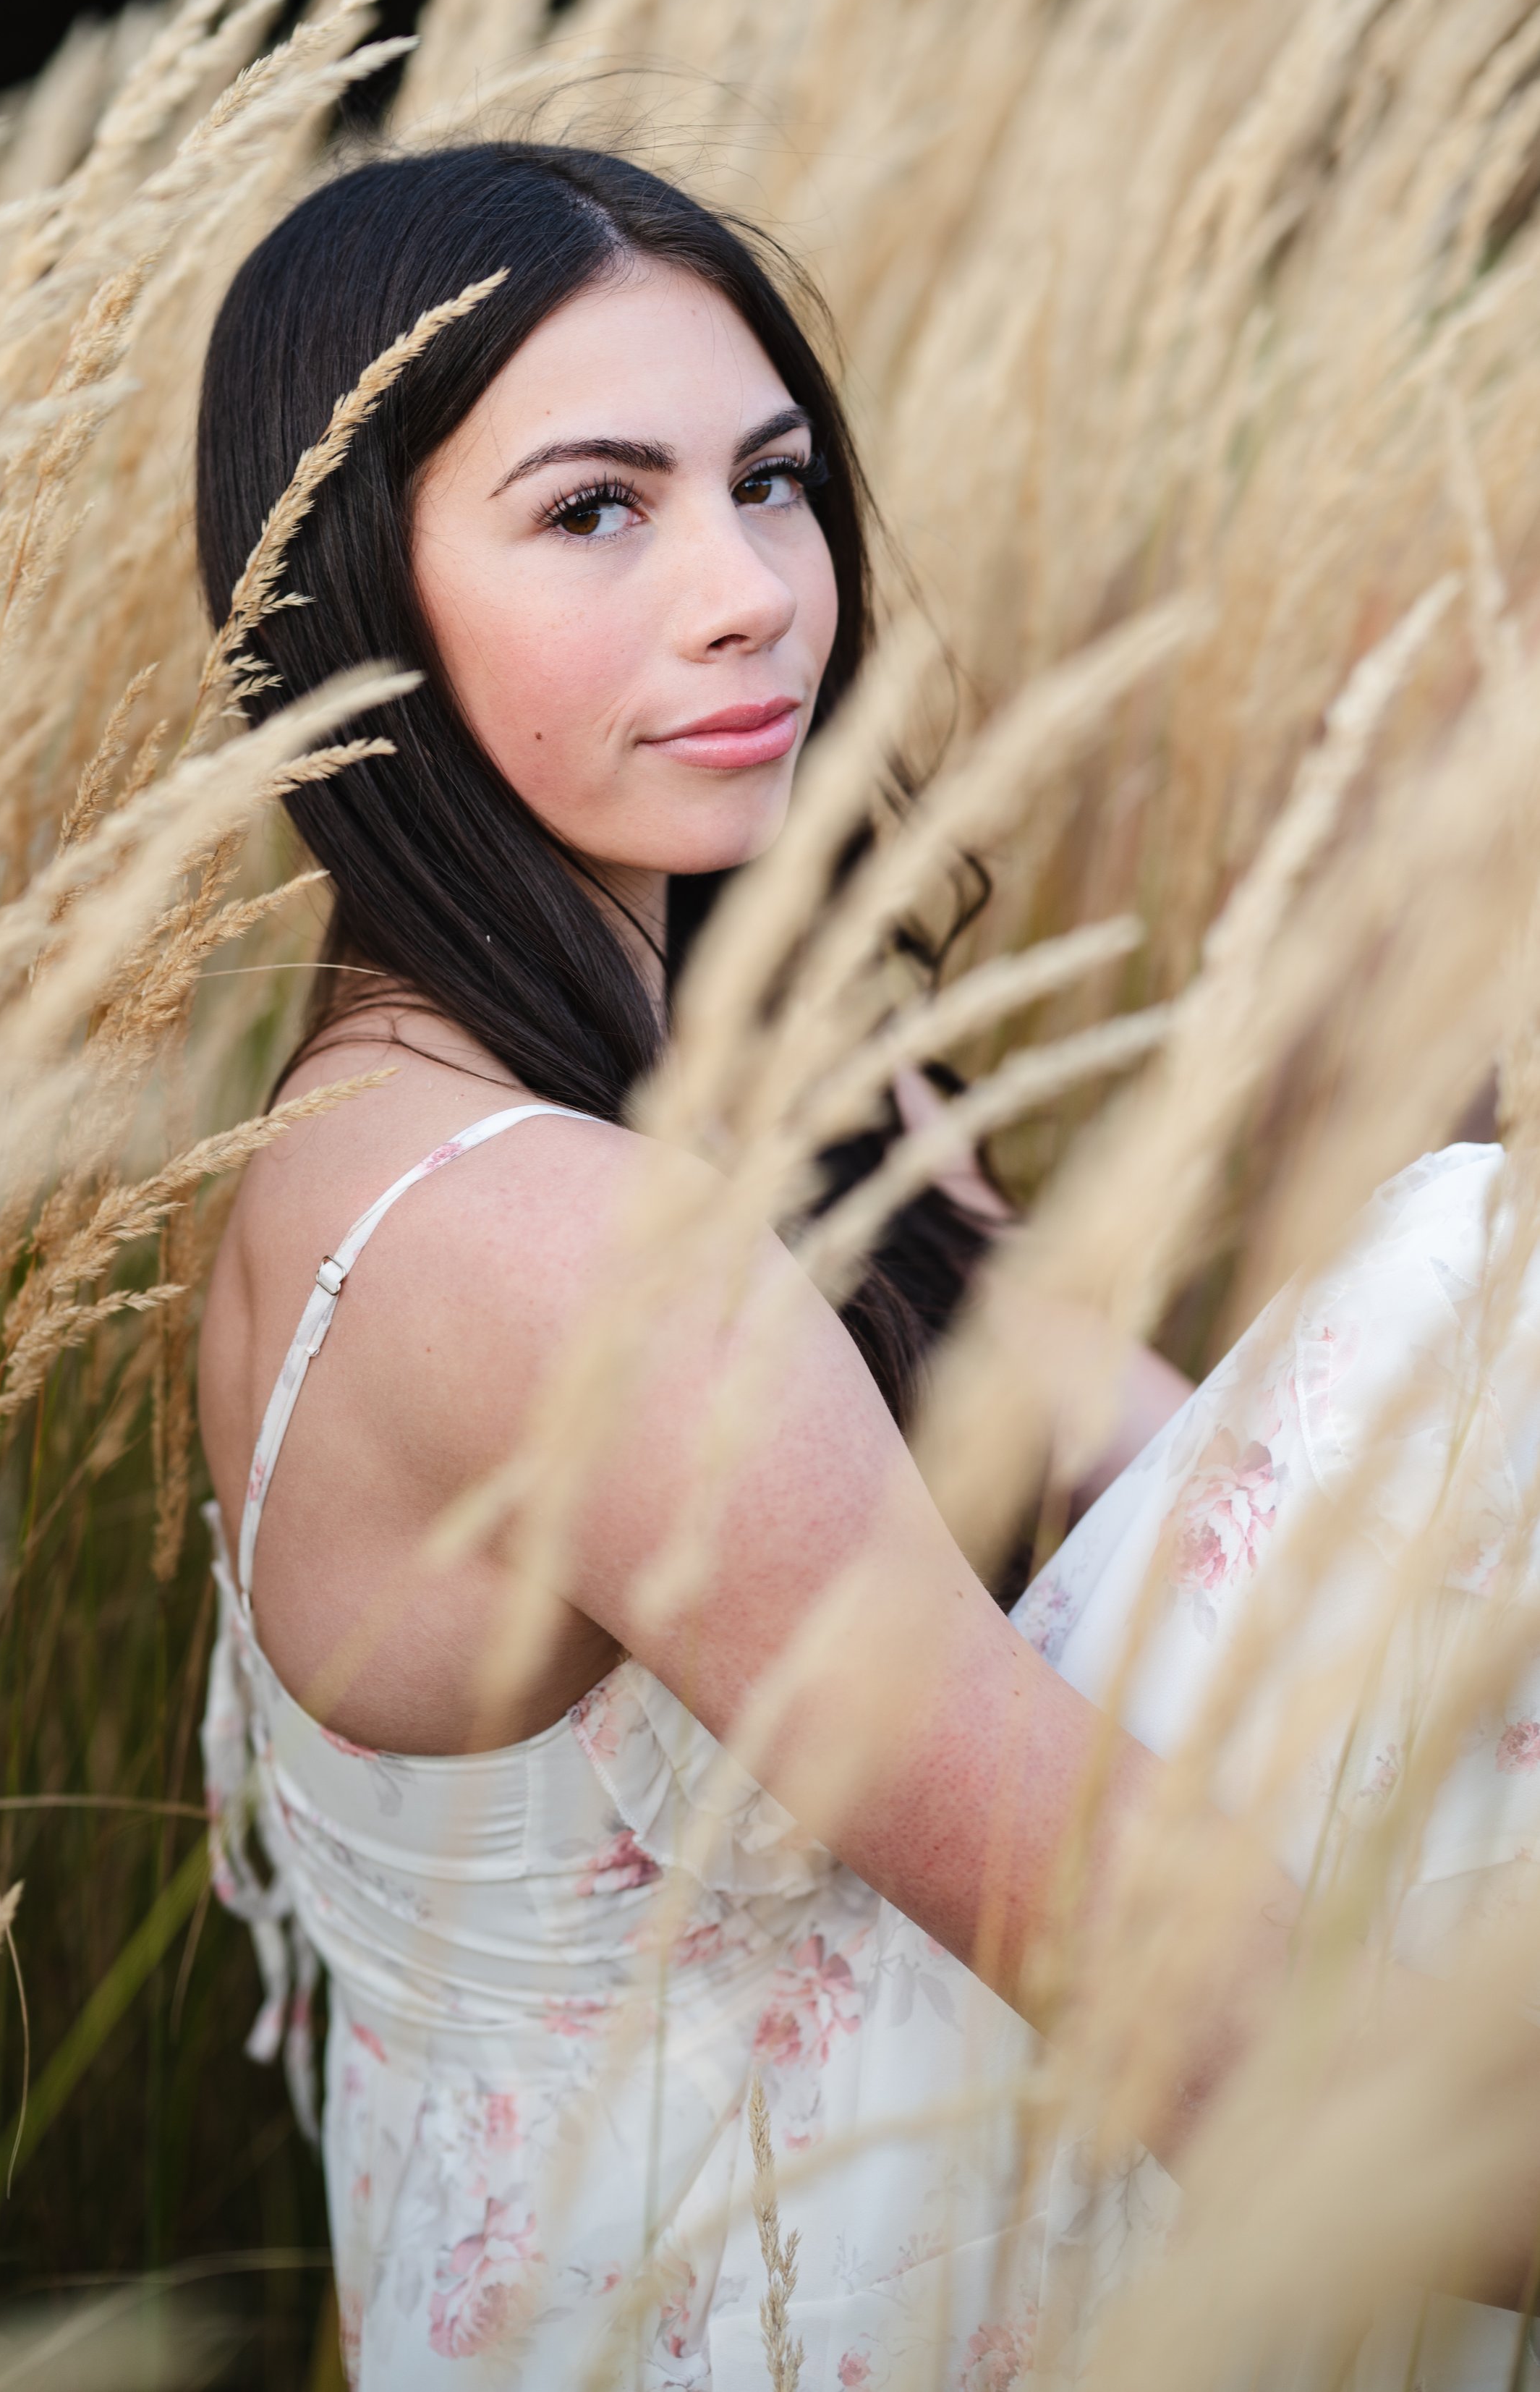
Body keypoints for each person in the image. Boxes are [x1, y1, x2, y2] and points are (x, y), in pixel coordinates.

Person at [193, 144, 1540, 2388]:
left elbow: (1160, 1479)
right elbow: (1205, 2039)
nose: (747, 594)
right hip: (753, 2296)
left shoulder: (763, 1069)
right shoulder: (540, 1245)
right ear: (355, 603)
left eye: (774, 481)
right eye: (593, 511)